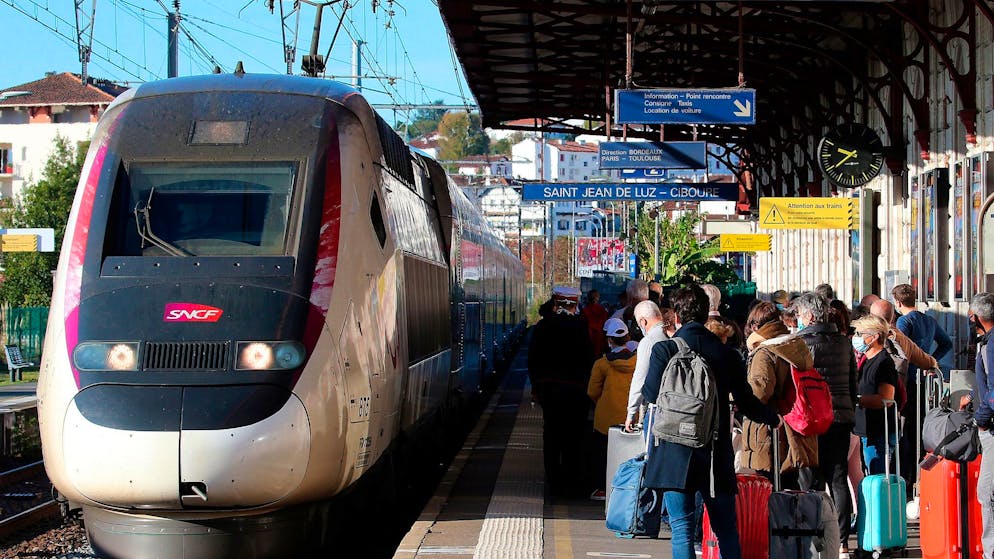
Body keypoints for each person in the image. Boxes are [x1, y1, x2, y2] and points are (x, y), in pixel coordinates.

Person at [641, 284, 780, 559]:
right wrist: (772, 418)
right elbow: (747, 401)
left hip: (674, 450)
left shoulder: (664, 350)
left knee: (681, 529)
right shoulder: (726, 354)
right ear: (706, 315)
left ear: (676, 316)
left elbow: (650, 394)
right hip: (714, 452)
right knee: (725, 529)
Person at [794, 291, 857, 547]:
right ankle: (841, 542)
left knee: (810, 478)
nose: (798, 318)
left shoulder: (800, 344)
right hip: (841, 417)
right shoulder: (844, 342)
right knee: (838, 478)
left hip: (811, 419)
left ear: (809, 316)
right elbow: (852, 382)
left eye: (799, 314)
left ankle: (816, 539)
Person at [738, 303, 818, 490]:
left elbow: (759, 392)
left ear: (756, 326)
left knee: (768, 488)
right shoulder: (794, 346)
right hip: (794, 424)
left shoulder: (765, 352)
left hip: (769, 428)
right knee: (789, 486)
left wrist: (739, 396)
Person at [528, 286, 595, 498]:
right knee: (574, 436)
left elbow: (533, 359)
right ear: (574, 305)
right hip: (577, 391)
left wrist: (536, 387)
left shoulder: (542, 327)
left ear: (556, 304)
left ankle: (554, 481)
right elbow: (589, 359)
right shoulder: (581, 327)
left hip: (550, 391)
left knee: (552, 435)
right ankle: (571, 481)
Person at [891, 284, 952, 485]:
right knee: (919, 428)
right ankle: (919, 474)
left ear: (897, 302)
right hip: (924, 381)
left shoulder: (904, 321)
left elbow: (901, 350)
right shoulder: (929, 320)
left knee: (905, 430)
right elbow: (947, 343)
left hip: (908, 380)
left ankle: (906, 477)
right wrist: (930, 361)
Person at [587, 317, 638, 500]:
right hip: (631, 416)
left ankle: (602, 489)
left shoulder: (602, 364)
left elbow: (592, 391)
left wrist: (602, 403)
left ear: (609, 340)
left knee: (602, 455)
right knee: (629, 455)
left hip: (605, 419)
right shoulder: (638, 361)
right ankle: (626, 491)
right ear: (628, 338)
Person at [851, 315, 899, 475]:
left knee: (877, 478)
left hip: (878, 433)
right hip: (867, 431)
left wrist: (857, 400)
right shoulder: (866, 360)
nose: (856, 337)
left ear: (875, 336)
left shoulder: (883, 362)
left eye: (860, 333)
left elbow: (886, 399)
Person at [970, 292, 994, 556]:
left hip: (992, 428)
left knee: (986, 493)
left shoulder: (991, 345)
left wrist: (982, 419)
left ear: (975, 317)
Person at [624, 300, 669, 431]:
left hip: (656, 407)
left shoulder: (648, 341)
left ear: (643, 322)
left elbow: (640, 379)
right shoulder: (672, 333)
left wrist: (631, 413)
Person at [581, 289, 609, 356]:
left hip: (588, 339)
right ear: (598, 298)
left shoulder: (584, 310)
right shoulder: (602, 310)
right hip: (600, 339)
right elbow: (606, 325)